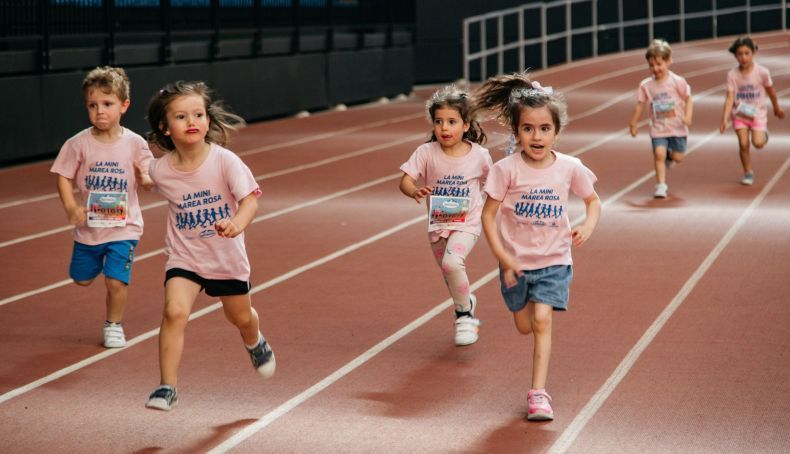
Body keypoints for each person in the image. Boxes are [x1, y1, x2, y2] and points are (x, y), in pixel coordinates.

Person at [476, 72, 602, 421]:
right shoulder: (506, 170)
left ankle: (538, 394)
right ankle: (525, 311)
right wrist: (502, 256)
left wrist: (588, 225)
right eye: (528, 129)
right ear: (516, 133)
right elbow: (488, 215)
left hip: (555, 260)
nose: (537, 136)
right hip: (515, 264)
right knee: (524, 324)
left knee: (543, 320)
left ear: (556, 132)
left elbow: (593, 201)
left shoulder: (570, 167)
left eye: (544, 128)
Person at [144, 81, 274, 411]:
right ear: (165, 126)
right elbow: (144, 177)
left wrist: (236, 224)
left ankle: (254, 341)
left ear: (208, 120)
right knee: (174, 312)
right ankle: (166, 386)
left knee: (241, 318)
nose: (192, 122)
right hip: (185, 257)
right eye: (181, 116)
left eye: (199, 114)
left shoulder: (225, 161)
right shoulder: (160, 170)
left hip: (226, 258)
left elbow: (249, 202)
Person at [50, 66, 154, 349]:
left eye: (107, 104)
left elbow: (149, 179)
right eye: (92, 105)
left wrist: (145, 178)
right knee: (81, 279)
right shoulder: (78, 144)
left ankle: (113, 325)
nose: (100, 112)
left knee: (116, 282)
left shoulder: (135, 143)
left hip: (125, 228)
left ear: (124, 105)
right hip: (89, 228)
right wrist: (71, 206)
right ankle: (94, 265)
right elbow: (62, 175)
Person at [399, 85, 493, 346]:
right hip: (439, 224)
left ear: (466, 125)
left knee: (453, 263)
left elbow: (493, 183)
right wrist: (415, 191)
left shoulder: (479, 155)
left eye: (452, 122)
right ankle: (466, 300)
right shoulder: (426, 153)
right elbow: (405, 180)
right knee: (448, 271)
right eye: (439, 122)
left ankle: (464, 315)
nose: (444, 128)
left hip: (468, 223)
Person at [629, 39, 693, 198]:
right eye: (651, 65)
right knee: (658, 154)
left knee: (678, 157)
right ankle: (661, 186)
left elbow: (688, 98)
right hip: (658, 128)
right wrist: (634, 122)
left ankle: (670, 157)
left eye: (659, 64)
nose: (655, 68)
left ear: (669, 61)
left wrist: (688, 116)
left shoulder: (677, 81)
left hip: (677, 127)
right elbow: (640, 104)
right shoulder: (646, 85)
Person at [719, 36, 785, 185]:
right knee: (743, 143)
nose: (743, 57)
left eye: (747, 53)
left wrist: (776, 108)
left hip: (757, 115)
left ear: (753, 53)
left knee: (758, 143)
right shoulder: (732, 75)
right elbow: (729, 98)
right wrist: (724, 118)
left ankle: (764, 136)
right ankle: (748, 172)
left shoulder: (762, 72)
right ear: (735, 56)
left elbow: (771, 91)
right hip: (740, 114)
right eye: (740, 54)